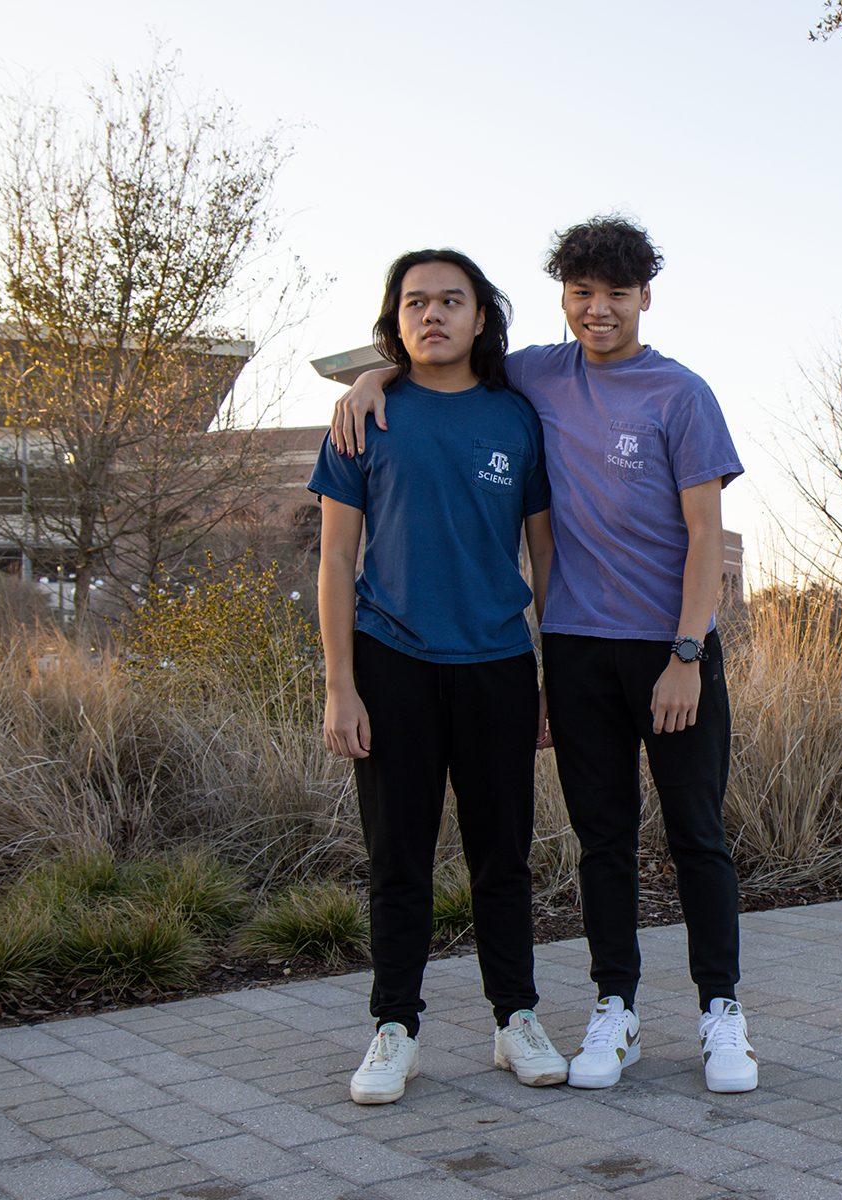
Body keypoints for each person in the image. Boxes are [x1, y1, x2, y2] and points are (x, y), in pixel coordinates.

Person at [330, 217, 757, 1094]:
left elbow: (704, 534)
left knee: (695, 837)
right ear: (563, 298)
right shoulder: (534, 376)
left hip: (661, 653)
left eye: (616, 294)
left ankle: (720, 1015)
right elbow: (430, 374)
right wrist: (370, 377)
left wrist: (686, 651)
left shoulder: (675, 394)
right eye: (581, 293)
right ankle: (612, 1009)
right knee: (599, 840)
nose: (598, 310)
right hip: (563, 652)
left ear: (644, 298)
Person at [310, 249, 568, 1104]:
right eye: (415, 302)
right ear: (396, 319)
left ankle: (514, 1020)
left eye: (450, 301)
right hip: (393, 665)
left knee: (503, 859)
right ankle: (395, 1029)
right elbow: (336, 558)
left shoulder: (515, 419)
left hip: (496, 664)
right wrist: (339, 685)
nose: (433, 315)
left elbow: (543, 555)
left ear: (480, 317)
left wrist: (545, 674)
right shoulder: (364, 419)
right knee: (398, 859)